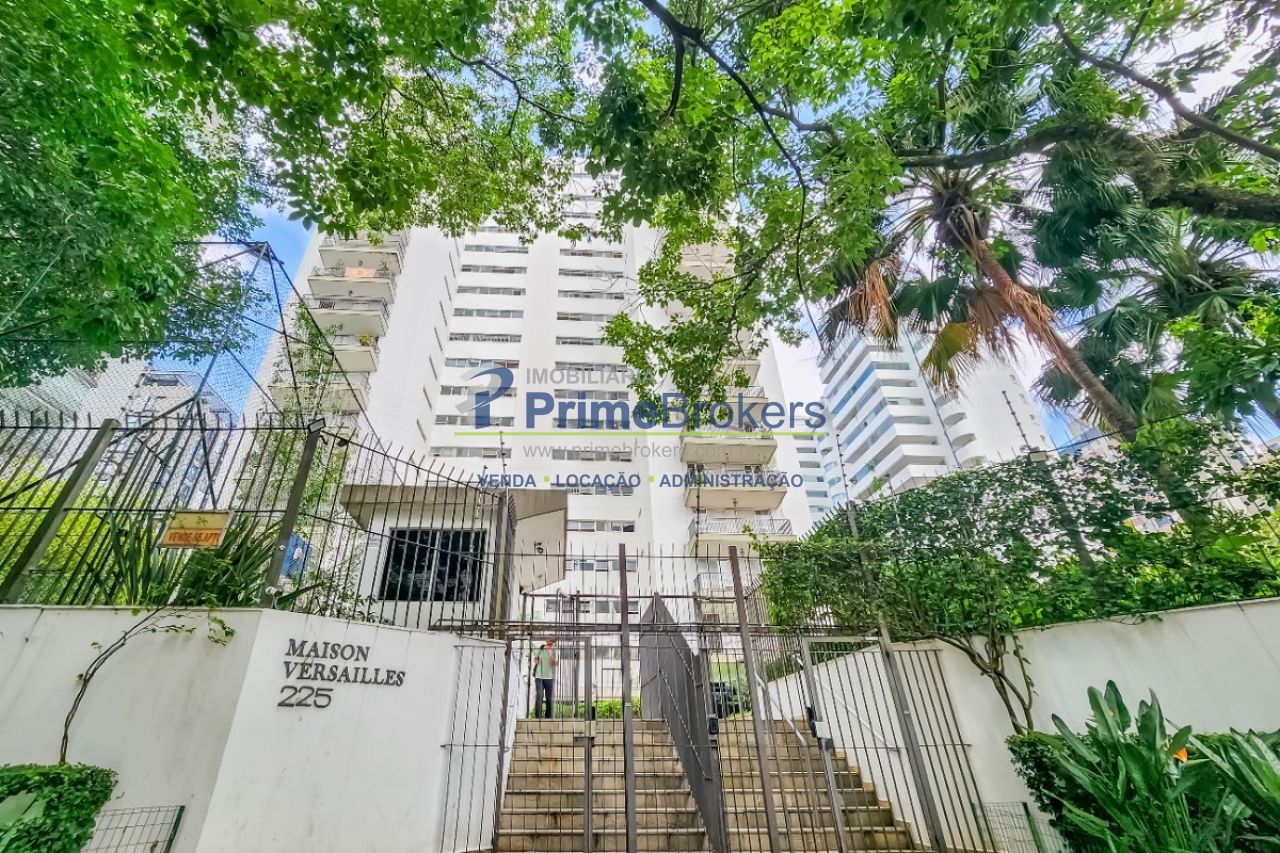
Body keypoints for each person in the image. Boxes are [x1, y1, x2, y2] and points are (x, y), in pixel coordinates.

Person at [532, 637, 557, 719]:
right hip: (539, 676)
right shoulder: (541, 648)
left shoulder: (555, 650)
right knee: (539, 696)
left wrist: (549, 654)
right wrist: (537, 661)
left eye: (550, 640)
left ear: (553, 641)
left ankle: (548, 717)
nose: (548, 641)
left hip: (550, 677)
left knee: (549, 698)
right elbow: (535, 658)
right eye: (547, 639)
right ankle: (538, 717)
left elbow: (554, 663)